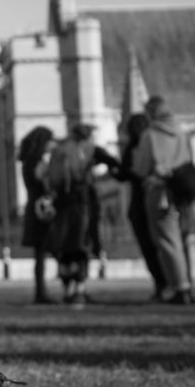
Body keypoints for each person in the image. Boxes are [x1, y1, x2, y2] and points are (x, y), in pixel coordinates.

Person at [45, 123, 119, 306]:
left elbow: (51, 179)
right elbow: (114, 163)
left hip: (62, 203)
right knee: (82, 245)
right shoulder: (91, 149)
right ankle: (80, 289)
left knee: (64, 248)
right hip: (84, 202)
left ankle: (67, 289)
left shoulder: (59, 151)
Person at [132, 96, 194, 304]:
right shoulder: (182, 133)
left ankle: (179, 286)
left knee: (167, 240)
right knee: (183, 238)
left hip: (160, 192)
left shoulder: (150, 136)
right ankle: (186, 283)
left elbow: (140, 168)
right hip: (183, 192)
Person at [115, 113, 166, 301]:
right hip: (154, 201)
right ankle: (168, 282)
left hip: (142, 202)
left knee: (150, 245)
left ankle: (162, 283)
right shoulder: (155, 143)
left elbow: (126, 173)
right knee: (161, 244)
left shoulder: (137, 146)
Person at [18, 126, 58, 304]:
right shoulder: (38, 160)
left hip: (33, 205)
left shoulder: (28, 160)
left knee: (40, 253)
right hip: (41, 207)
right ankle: (41, 291)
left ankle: (41, 290)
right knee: (43, 250)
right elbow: (43, 182)